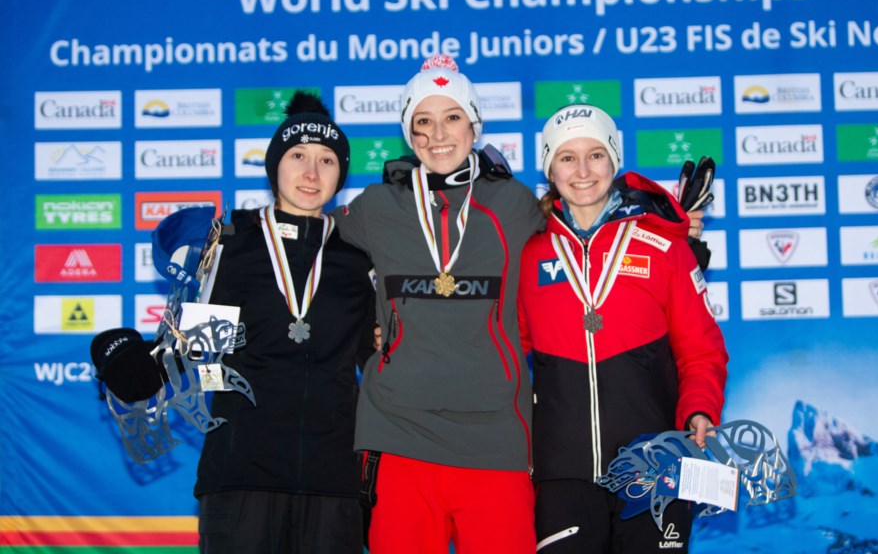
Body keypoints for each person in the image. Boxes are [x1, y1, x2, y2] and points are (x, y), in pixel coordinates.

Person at [333, 55, 542, 554]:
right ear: (409, 134)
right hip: (399, 433)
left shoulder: (514, 202)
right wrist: (367, 327)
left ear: (474, 126)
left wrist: (680, 234)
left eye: (452, 117)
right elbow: (311, 252)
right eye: (422, 121)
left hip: (495, 436)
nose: (438, 134)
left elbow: (587, 234)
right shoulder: (375, 206)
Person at [517, 104, 729, 554]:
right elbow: (504, 350)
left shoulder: (664, 246)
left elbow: (702, 349)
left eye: (595, 154)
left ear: (614, 160)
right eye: (566, 157)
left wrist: (699, 410)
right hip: (562, 475)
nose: (582, 171)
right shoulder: (529, 253)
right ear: (550, 168)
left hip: (656, 465)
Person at [192, 91, 376, 554]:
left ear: (341, 172)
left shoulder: (358, 255)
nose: (311, 173)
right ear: (275, 164)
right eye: (298, 156)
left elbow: (378, 362)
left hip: (333, 482)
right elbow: (196, 353)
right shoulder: (232, 243)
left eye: (327, 160)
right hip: (241, 475)